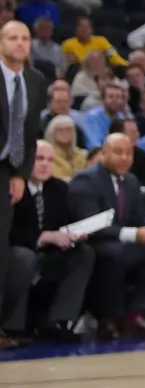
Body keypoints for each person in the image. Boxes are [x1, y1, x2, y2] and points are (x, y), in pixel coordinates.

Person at [67, 132, 145, 339]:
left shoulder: (130, 181)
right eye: (118, 152)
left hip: (120, 241)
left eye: (128, 153)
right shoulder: (86, 180)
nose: (124, 158)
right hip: (92, 243)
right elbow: (89, 225)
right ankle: (108, 319)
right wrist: (133, 234)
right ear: (104, 153)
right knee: (115, 253)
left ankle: (137, 314)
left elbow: (139, 218)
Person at [5, 140, 93, 342]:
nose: (45, 164)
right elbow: (8, 231)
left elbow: (67, 222)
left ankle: (59, 321)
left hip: (48, 254)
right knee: (24, 256)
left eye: (50, 160)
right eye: (39, 159)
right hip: (17, 250)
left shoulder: (59, 188)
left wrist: (76, 233)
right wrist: (44, 237)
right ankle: (13, 328)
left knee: (84, 253)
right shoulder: (12, 187)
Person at [0, 19, 47, 348]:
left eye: (25, 38)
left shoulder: (35, 80)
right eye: (12, 38)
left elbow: (29, 133)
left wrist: (20, 174)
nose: (20, 43)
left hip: (8, 170)